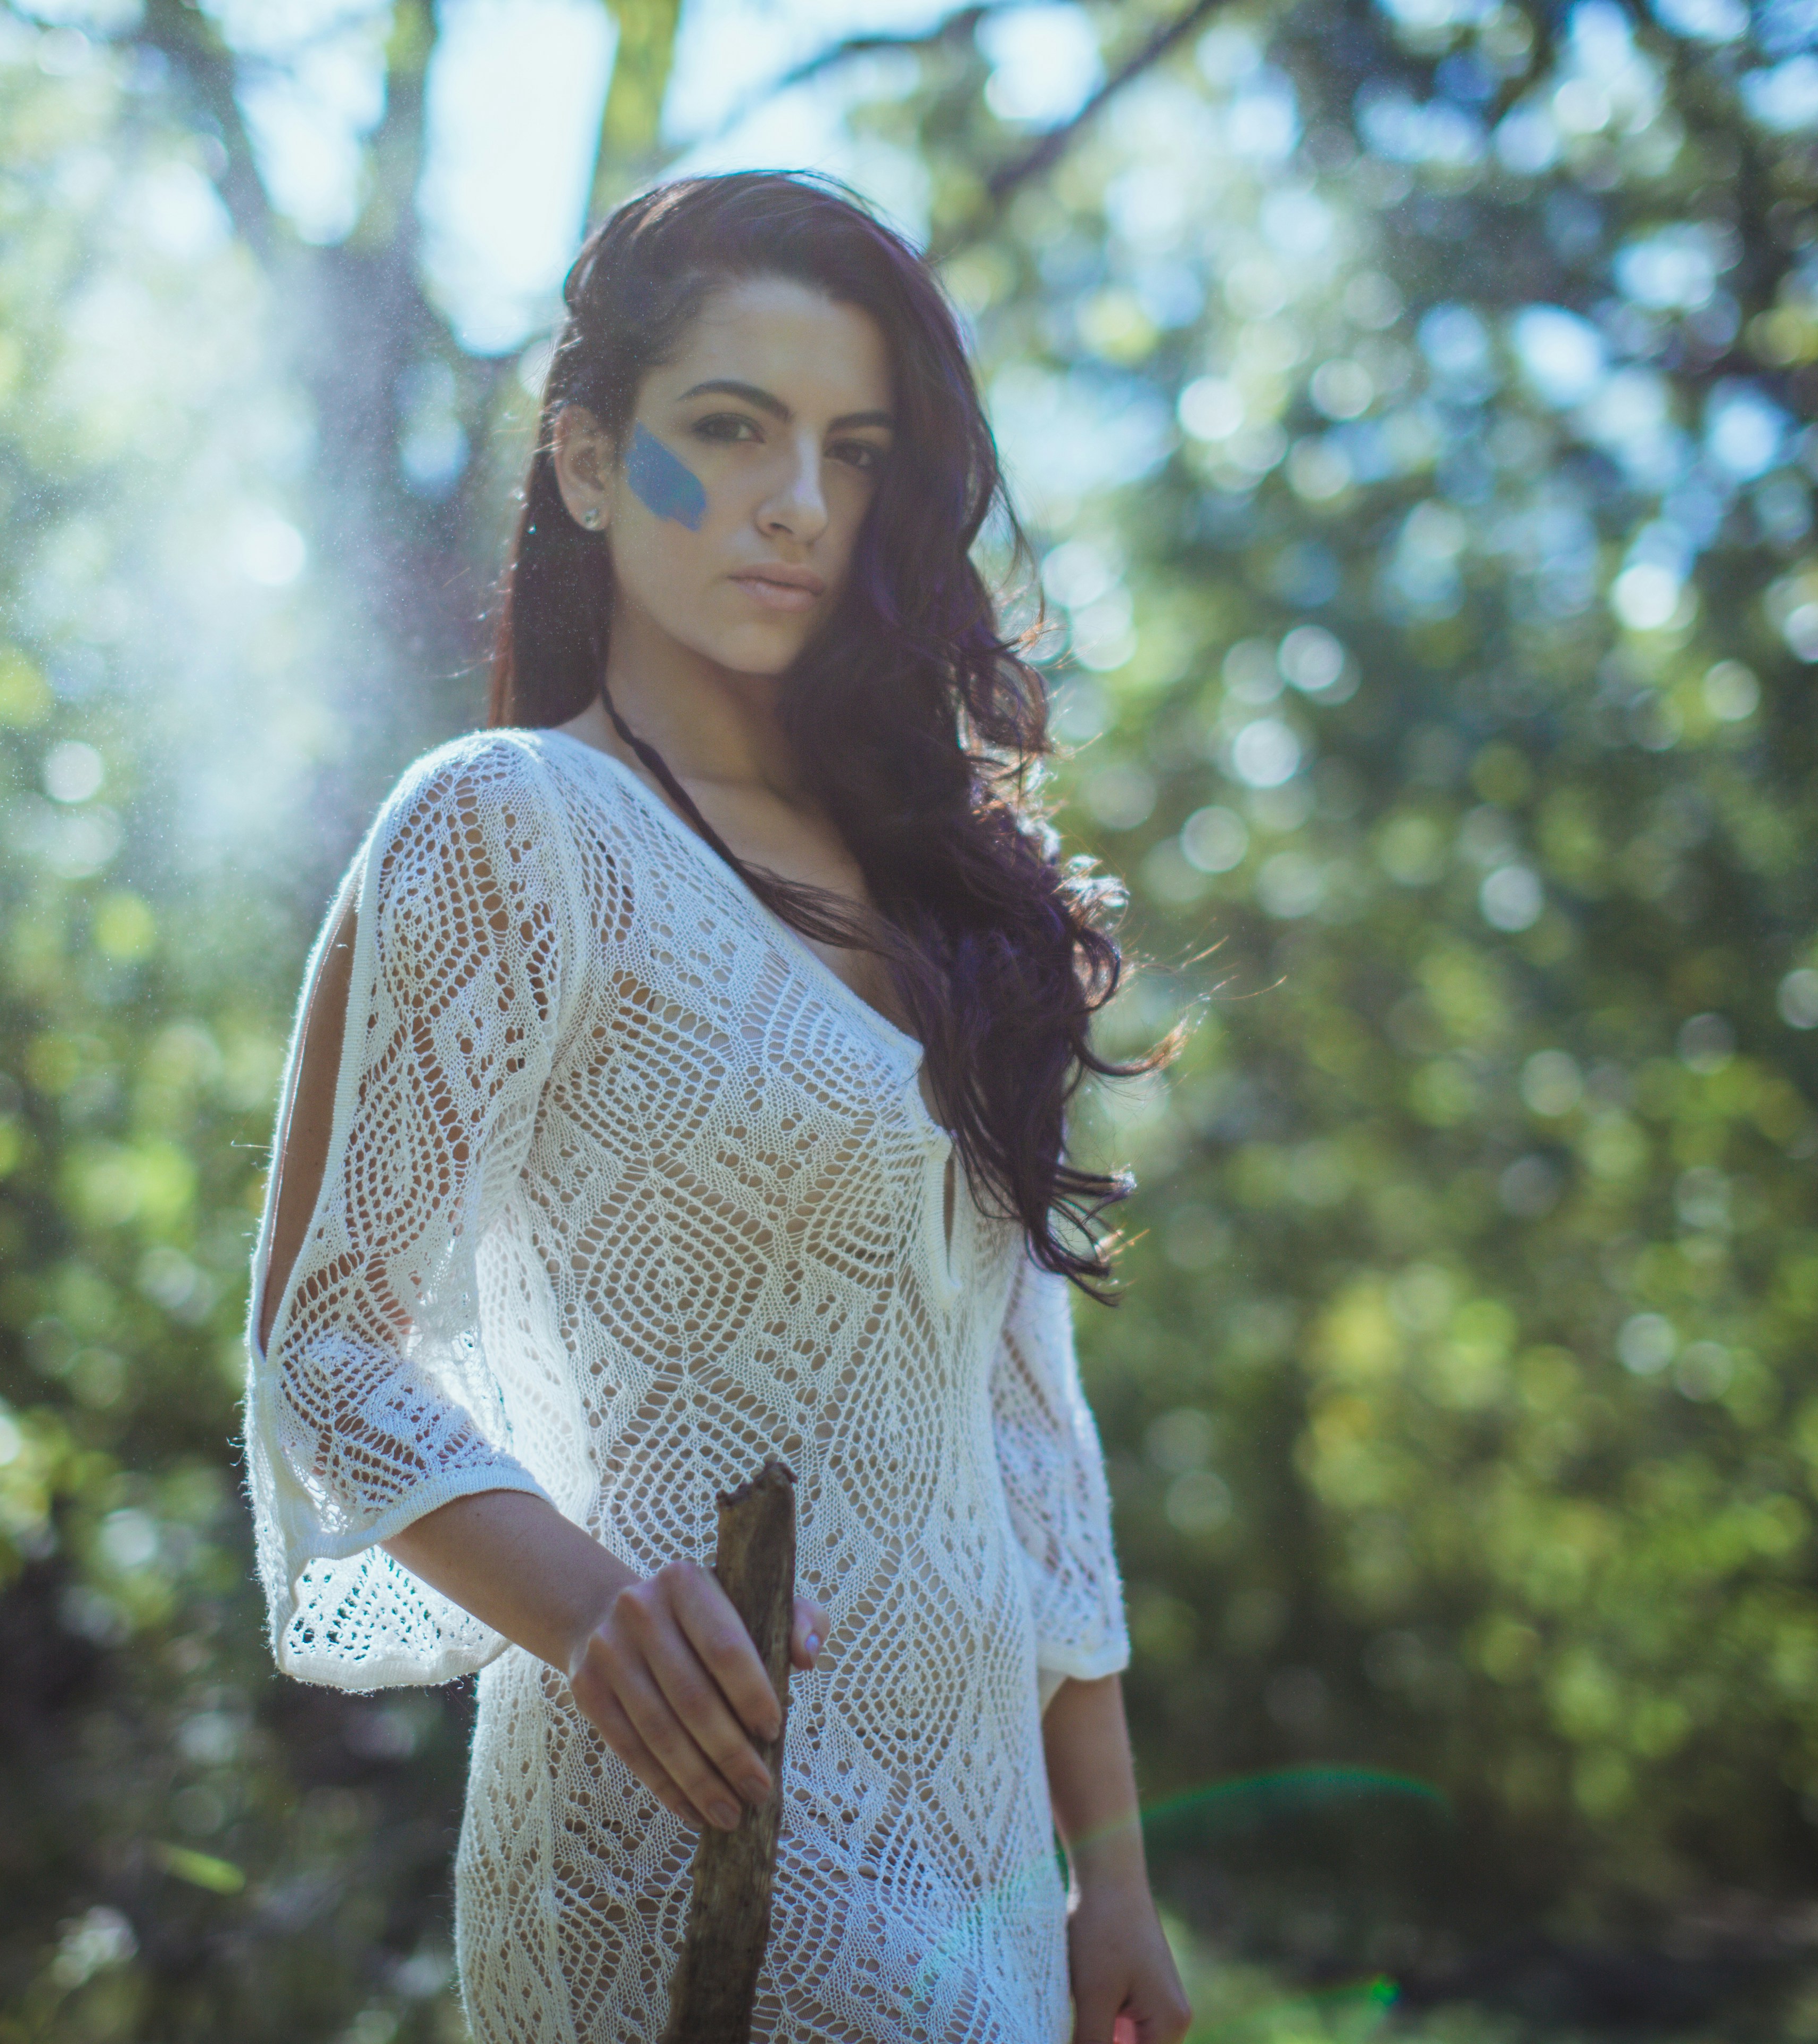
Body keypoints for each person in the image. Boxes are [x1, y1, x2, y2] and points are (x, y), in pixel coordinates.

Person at [244, 170, 1191, 2043]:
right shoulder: (510, 827)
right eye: (727, 432)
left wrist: (1114, 1882)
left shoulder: (934, 893)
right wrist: (592, 1604)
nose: (795, 506)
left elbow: (1031, 1437)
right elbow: (323, 1348)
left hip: (982, 1850)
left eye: (851, 452)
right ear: (590, 464)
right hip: (685, 1836)